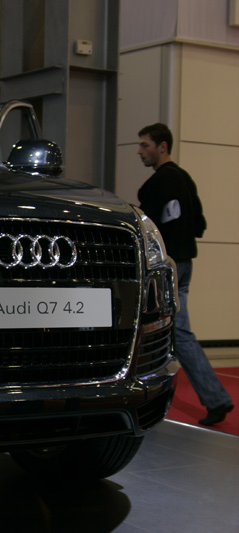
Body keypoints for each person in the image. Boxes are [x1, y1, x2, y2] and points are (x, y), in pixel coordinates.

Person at [136, 122, 233, 426]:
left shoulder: (156, 185)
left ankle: (215, 398)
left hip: (167, 268)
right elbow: (200, 225)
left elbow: (148, 230)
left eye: (145, 145)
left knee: (174, 333)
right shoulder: (185, 179)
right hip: (185, 263)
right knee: (172, 332)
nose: (140, 151)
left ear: (162, 146)